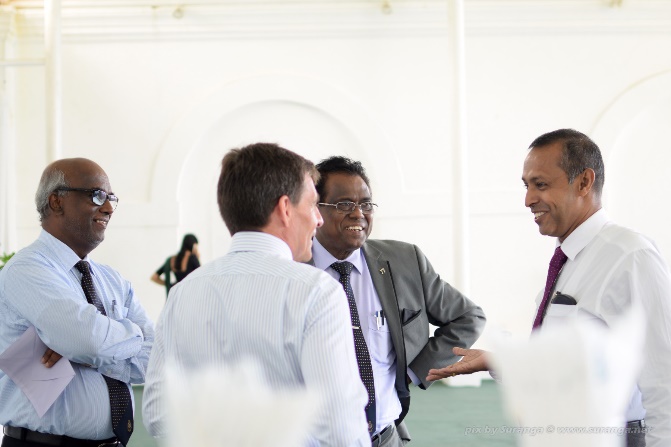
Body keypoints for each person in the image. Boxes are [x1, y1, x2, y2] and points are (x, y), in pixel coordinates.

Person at [427, 129, 671, 447]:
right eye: (527, 186)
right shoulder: (568, 260)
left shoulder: (629, 256)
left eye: (540, 185)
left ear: (584, 182)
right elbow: (568, 369)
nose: (528, 199)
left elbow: (664, 380)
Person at [142, 143, 370, 446]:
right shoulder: (316, 292)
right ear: (285, 209)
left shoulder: (183, 293)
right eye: (313, 205)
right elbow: (341, 426)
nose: (318, 219)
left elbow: (158, 413)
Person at [310, 156, 486, 446]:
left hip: (385, 436)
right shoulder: (293, 271)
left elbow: (468, 316)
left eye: (366, 204)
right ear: (316, 210)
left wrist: (414, 371)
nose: (358, 214)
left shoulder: (404, 261)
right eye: (344, 204)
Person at [0, 158, 154, 447]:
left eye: (111, 199)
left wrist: (82, 355)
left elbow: (153, 358)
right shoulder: (27, 269)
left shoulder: (113, 280)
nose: (108, 208)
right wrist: (128, 334)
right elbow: (87, 339)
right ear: (57, 201)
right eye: (96, 196)